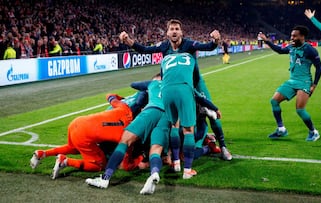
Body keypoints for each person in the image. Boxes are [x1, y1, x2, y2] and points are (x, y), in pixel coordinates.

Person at [120, 19, 232, 161]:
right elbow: (143, 49)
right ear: (167, 33)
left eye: (177, 29)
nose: (174, 31)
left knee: (212, 113)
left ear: (181, 32)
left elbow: (208, 46)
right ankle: (175, 156)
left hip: (194, 84)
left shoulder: (189, 44)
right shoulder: (164, 46)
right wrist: (128, 40)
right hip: (173, 86)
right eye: (171, 29)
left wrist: (216, 41)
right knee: (175, 121)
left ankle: (223, 147)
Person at [85, 74, 171, 190]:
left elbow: (133, 84)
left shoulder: (153, 83)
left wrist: (147, 85)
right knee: (156, 150)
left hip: (152, 111)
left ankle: (105, 179)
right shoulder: (171, 87)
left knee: (124, 141)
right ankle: (154, 174)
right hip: (166, 117)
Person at [29, 94, 133, 179]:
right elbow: (124, 166)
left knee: (74, 147)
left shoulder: (124, 108)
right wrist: (141, 160)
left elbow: (110, 96)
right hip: (84, 134)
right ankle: (65, 161)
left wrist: (120, 98)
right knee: (100, 165)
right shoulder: (126, 136)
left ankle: (42, 153)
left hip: (76, 122)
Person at [258, 25, 321, 141]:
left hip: (304, 81)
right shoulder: (291, 47)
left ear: (302, 37)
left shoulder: (309, 50)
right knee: (274, 101)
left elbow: (319, 67)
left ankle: (314, 132)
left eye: (294, 36)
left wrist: (314, 85)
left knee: (300, 109)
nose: (292, 37)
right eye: (291, 35)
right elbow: (280, 50)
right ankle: (281, 129)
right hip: (292, 81)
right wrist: (267, 40)